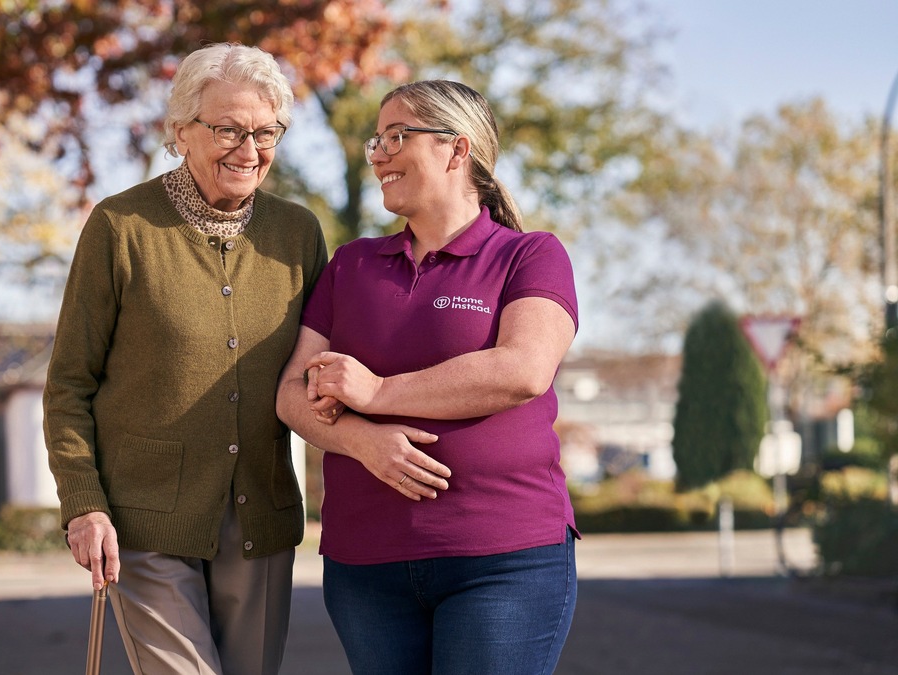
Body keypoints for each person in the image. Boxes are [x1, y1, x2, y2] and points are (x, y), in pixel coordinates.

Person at [277, 80, 579, 675]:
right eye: (376, 140)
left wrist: (379, 393)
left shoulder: (529, 256)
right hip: (365, 565)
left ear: (457, 149)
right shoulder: (351, 265)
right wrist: (360, 440)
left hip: (502, 559)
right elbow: (291, 393)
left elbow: (522, 370)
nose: (378, 154)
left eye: (397, 136)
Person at [43, 42, 327, 675]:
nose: (248, 150)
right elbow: (69, 385)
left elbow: (321, 370)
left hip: (261, 513)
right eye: (227, 129)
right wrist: (83, 502)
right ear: (180, 133)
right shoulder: (121, 227)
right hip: (145, 520)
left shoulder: (298, 233)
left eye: (265, 132)